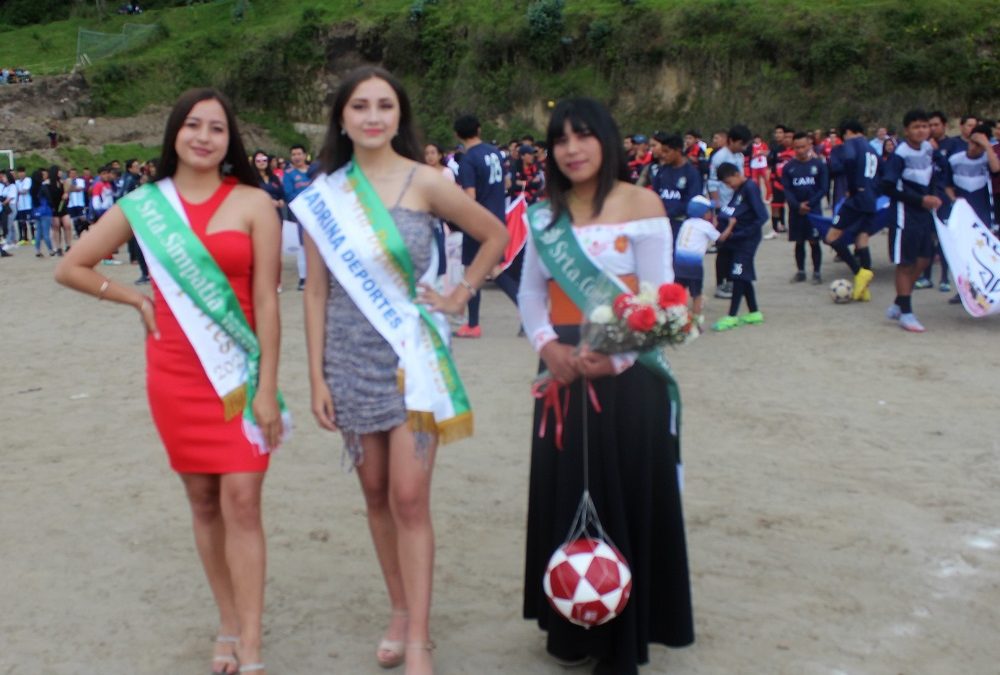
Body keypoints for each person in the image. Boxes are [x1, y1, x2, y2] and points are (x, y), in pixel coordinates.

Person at [55, 87, 286, 675]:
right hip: (176, 373)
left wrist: (267, 389)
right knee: (204, 501)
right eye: (193, 126)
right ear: (175, 135)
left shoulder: (255, 203)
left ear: (229, 139)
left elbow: (267, 301)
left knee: (242, 498)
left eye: (216, 128)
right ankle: (228, 622)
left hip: (237, 372)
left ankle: (252, 640)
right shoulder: (144, 205)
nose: (205, 137)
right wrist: (134, 298)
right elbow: (71, 266)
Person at [295, 65, 507, 675]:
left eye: (385, 105)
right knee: (374, 494)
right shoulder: (323, 195)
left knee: (409, 497)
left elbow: (493, 234)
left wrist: (461, 291)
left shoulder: (428, 181)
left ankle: (419, 637)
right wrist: (315, 378)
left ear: (400, 116)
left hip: (412, 356)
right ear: (342, 117)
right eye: (359, 106)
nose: (372, 116)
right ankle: (397, 608)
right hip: (348, 358)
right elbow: (314, 293)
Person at [518, 97, 693, 675]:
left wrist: (612, 359)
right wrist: (550, 347)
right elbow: (530, 295)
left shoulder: (640, 203)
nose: (571, 149)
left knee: (624, 497)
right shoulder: (542, 215)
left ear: (607, 139)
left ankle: (621, 643)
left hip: (628, 375)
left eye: (583, 136)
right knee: (567, 496)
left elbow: (662, 295)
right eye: (560, 140)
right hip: (564, 372)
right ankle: (571, 633)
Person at [881, 109, 942, 333]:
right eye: (916, 127)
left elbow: (936, 173)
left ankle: (900, 301)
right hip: (904, 214)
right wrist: (920, 199)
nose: (921, 130)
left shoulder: (928, 149)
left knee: (925, 259)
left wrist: (936, 196)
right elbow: (886, 186)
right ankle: (906, 313)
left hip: (924, 213)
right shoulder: (900, 154)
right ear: (907, 130)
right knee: (905, 263)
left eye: (925, 126)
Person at [453, 113, 508, 338]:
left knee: (473, 272)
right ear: (479, 129)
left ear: (457, 134)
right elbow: (507, 183)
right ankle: (528, 316)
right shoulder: (495, 153)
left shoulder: (468, 159)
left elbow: (470, 196)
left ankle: (473, 324)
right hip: (497, 216)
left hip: (478, 222)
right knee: (494, 269)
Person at [826, 119, 880, 301]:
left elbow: (848, 160)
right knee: (862, 239)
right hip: (871, 199)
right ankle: (864, 288)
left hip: (857, 198)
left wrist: (853, 187)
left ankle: (859, 273)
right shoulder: (872, 148)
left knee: (831, 237)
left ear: (848, 132)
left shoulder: (851, 143)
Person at [712, 161, 768, 331]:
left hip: (746, 241)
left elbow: (762, 216)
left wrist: (740, 234)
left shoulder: (750, 188)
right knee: (743, 275)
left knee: (737, 276)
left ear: (737, 174)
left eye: (729, 182)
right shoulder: (739, 191)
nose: (729, 187)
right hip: (736, 241)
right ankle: (754, 312)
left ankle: (732, 316)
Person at [707, 124, 751, 299]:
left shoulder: (739, 156)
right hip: (724, 206)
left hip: (737, 206)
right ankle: (720, 284)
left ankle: (732, 280)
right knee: (723, 248)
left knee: (735, 246)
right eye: (741, 144)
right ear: (731, 141)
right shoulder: (719, 157)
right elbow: (712, 183)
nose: (744, 148)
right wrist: (718, 209)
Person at [782, 132, 828, 283]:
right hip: (796, 212)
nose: (800, 150)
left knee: (814, 242)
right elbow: (787, 190)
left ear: (809, 145)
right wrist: (797, 205)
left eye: (803, 147)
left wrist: (810, 203)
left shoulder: (819, 165)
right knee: (799, 241)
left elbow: (823, 188)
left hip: (813, 211)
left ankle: (817, 272)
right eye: (797, 147)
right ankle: (800, 271)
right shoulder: (788, 167)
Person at [673, 195, 718, 324]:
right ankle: (695, 320)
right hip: (694, 267)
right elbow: (719, 238)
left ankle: (676, 317)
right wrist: (730, 226)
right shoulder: (706, 226)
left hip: (678, 264)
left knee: (679, 291)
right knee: (696, 294)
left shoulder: (686, 223)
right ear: (705, 213)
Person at [944, 123, 999, 228]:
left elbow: (996, 170)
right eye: (972, 143)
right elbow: (947, 185)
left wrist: (987, 146)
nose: (973, 147)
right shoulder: (954, 160)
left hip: (983, 211)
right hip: (961, 210)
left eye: (978, 145)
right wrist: (954, 200)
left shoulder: (989, 159)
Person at [650, 132, 703, 240]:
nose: (663, 155)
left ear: (678, 151)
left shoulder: (691, 173)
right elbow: (655, 193)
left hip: (680, 224)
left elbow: (692, 201)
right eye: (662, 151)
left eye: (666, 151)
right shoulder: (662, 171)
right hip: (661, 223)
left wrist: (670, 213)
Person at [282, 144, 312, 290]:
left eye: (299, 154)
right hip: (300, 215)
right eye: (293, 154)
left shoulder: (314, 171)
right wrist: (306, 199)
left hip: (317, 214)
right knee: (302, 246)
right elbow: (288, 194)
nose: (296, 157)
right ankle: (303, 278)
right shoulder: (289, 174)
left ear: (305, 155)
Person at [30, 168, 55, 257]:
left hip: (36, 211)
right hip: (45, 212)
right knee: (46, 233)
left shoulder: (32, 189)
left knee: (38, 233)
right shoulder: (43, 187)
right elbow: (49, 199)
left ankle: (37, 250)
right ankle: (51, 250)